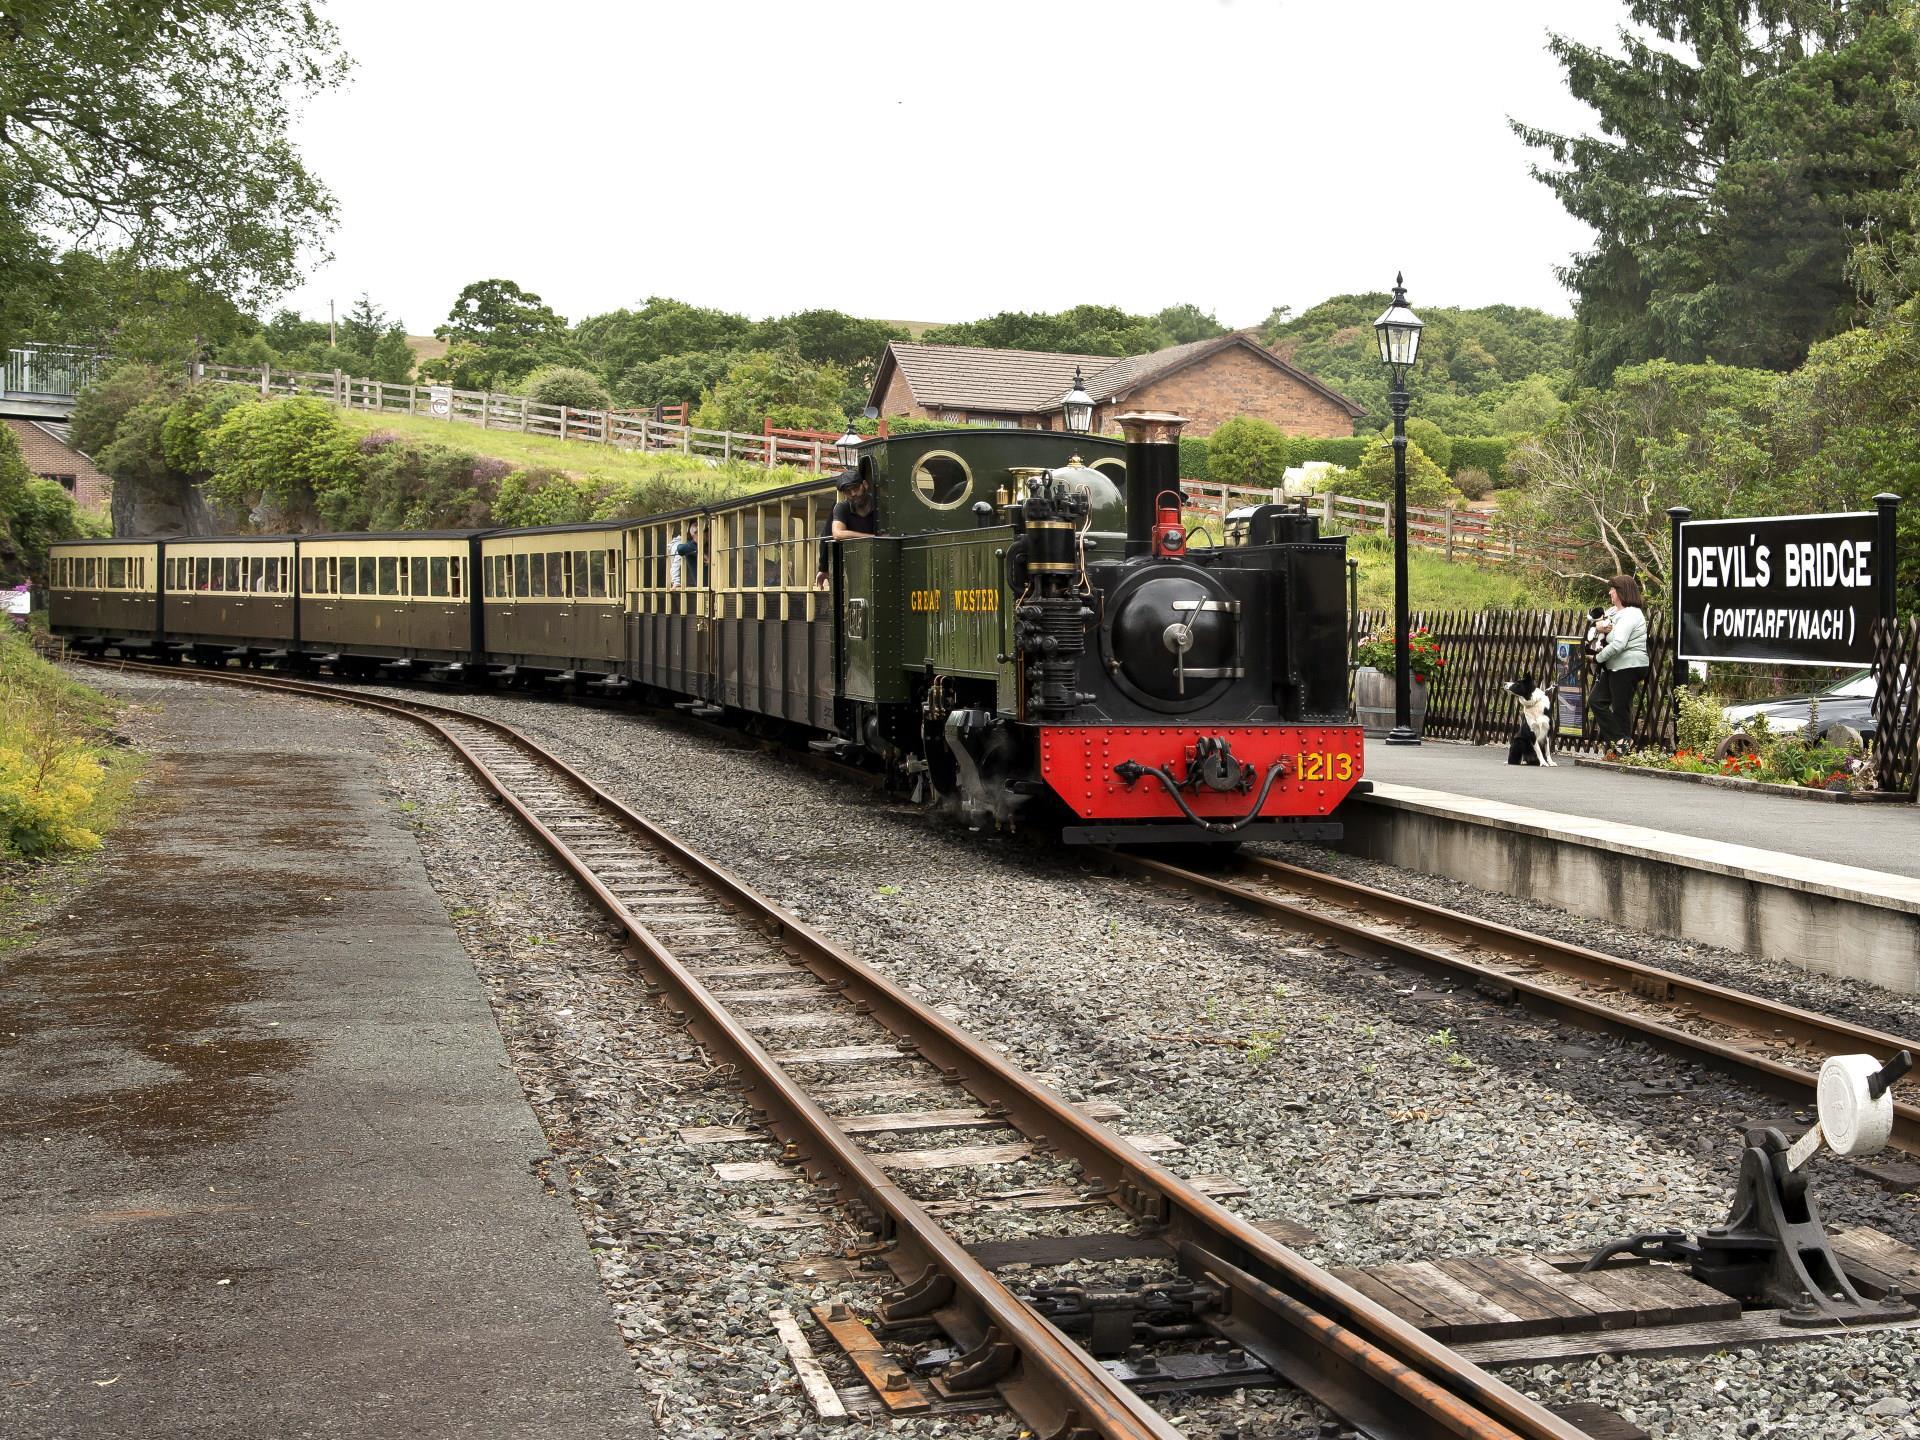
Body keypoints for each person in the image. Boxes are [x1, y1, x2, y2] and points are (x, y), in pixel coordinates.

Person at [1591, 574, 1649, 751]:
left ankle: (1623, 746)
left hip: (1629, 665)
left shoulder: (1631, 614)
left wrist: (1597, 658)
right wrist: (1597, 627)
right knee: (1596, 701)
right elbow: (1596, 625)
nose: (1610, 593)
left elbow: (1618, 643)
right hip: (1614, 665)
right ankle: (1622, 741)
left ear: (1621, 592)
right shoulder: (1613, 611)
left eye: (1613, 590)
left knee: (1620, 706)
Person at [815, 470, 878, 588]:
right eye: (848, 491)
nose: (853, 493)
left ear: (864, 484)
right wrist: (873, 537)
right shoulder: (842, 507)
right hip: (851, 566)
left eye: (855, 488)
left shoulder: (880, 505)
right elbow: (837, 533)